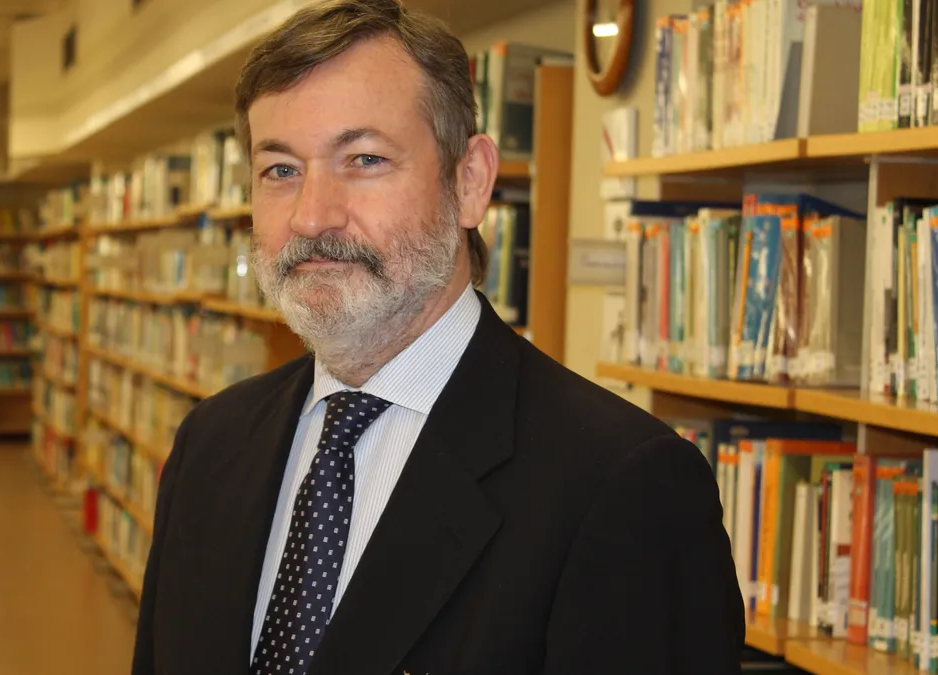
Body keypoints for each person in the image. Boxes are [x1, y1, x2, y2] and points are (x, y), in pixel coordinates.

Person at [131, 0, 744, 673]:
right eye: (280, 170)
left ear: (469, 182)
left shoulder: (622, 485)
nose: (311, 216)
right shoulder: (208, 446)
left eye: (364, 159)